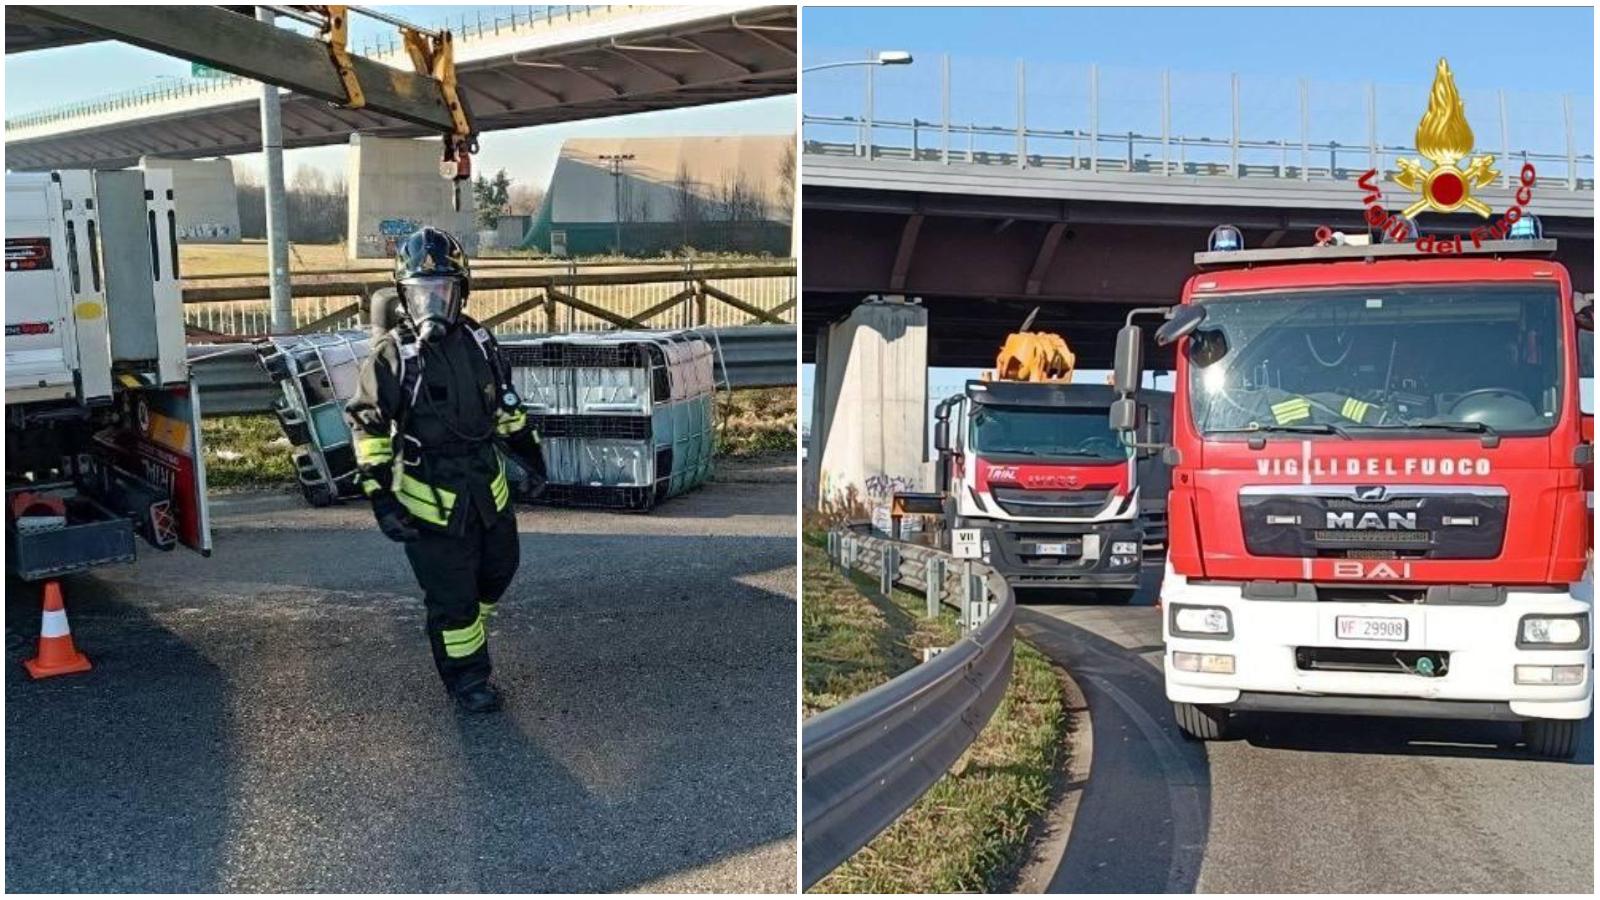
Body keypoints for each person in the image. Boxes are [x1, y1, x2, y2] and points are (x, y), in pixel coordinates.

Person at [344, 227, 545, 713]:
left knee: (500, 571)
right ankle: (467, 682)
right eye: (421, 294)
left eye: (443, 292)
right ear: (403, 296)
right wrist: (381, 499)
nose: (433, 303)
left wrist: (529, 452)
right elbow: (367, 423)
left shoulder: (479, 340)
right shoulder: (395, 354)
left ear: (461, 292)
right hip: (430, 506)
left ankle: (465, 634)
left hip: (486, 491)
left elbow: (504, 404)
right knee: (453, 603)